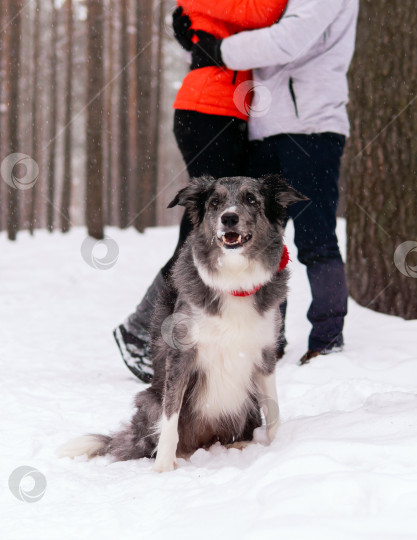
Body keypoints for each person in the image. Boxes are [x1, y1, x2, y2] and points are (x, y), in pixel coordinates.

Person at [113, 0, 288, 383]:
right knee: (200, 236)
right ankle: (142, 331)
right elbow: (264, 13)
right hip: (208, 111)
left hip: (229, 112)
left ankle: (155, 329)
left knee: (212, 232)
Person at [186, 0, 359, 364]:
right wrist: (193, 25)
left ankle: (328, 340)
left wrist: (218, 50)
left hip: (310, 128)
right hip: (266, 127)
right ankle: (271, 338)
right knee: (263, 241)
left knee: (316, 238)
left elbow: (287, 40)